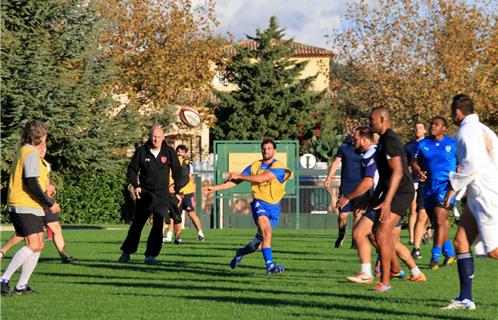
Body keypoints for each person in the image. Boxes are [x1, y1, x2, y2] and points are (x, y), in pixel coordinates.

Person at [338, 127, 426, 285]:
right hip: (386, 199)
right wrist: (368, 201)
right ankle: (413, 272)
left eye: (355, 140)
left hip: (387, 200)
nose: (353, 143)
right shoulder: (376, 151)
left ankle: (369, 273)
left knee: (361, 233)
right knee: (388, 240)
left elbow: (369, 182)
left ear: (364, 140)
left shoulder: (370, 153)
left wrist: (347, 197)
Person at [442, 94, 498, 310]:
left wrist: (453, 187)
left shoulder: (465, 131)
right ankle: (465, 299)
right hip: (480, 194)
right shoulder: (486, 130)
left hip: (487, 196)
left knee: (493, 251)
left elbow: (471, 166)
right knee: (461, 242)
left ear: (457, 112)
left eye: (451, 112)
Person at [205, 138, 292, 274]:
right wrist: (215, 188)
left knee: (256, 244)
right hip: (259, 203)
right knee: (267, 232)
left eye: (269, 148)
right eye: (264, 148)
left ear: (274, 151)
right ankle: (270, 266)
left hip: (274, 208)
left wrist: (239, 175)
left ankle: (240, 252)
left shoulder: (279, 166)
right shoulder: (255, 165)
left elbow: (261, 178)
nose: (266, 151)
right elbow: (235, 181)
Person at [1, 120, 61, 296]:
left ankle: (22, 285)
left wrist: (46, 189)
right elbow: (31, 183)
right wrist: (50, 203)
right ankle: (3, 279)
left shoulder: (27, 151)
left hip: (30, 205)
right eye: (45, 136)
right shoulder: (30, 153)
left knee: (39, 245)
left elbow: (35, 181)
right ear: (39, 137)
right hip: (23, 204)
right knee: (33, 243)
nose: (46, 140)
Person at [0, 144, 79, 265]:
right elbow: (32, 183)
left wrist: (50, 188)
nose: (43, 149)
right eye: (40, 147)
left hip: (45, 201)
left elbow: (43, 182)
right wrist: (46, 192)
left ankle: (64, 257)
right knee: (24, 235)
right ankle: (3, 257)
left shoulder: (45, 163)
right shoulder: (30, 159)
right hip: (35, 202)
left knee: (55, 228)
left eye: (45, 147)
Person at [118, 127, 183, 265]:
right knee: (137, 224)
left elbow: (178, 172)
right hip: (145, 194)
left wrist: (177, 191)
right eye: (154, 137)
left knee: (158, 225)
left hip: (161, 195)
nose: (156, 140)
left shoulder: (169, 152)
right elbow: (132, 169)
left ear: (163, 137)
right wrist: (136, 185)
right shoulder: (142, 151)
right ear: (150, 136)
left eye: (159, 137)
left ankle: (151, 256)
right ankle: (127, 252)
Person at [368, 107, 415, 292]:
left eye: (371, 119)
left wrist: (387, 201)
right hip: (391, 192)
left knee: (381, 233)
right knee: (375, 231)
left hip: (402, 192)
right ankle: (393, 271)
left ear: (382, 119)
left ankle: (386, 282)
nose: (369, 122)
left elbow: (397, 172)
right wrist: (372, 198)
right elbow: (385, 175)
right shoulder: (382, 142)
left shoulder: (391, 140)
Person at [412, 117, 457, 270]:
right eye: (431, 124)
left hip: (445, 187)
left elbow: (461, 163)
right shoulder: (423, 144)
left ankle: (435, 257)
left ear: (444, 129)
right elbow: (414, 162)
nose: (432, 126)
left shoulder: (452, 143)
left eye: (436, 125)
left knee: (439, 220)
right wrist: (419, 171)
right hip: (428, 188)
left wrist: (458, 177)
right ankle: (450, 253)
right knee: (439, 224)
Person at [325, 130, 363, 248]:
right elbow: (336, 162)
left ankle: (355, 240)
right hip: (346, 186)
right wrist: (329, 177)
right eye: (352, 132)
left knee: (358, 214)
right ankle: (341, 234)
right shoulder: (344, 148)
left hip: (361, 186)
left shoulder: (364, 149)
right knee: (342, 215)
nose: (353, 135)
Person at [166, 145, 205, 242]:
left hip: (187, 193)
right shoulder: (170, 164)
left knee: (191, 213)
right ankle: (171, 236)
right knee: (173, 215)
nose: (180, 153)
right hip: (175, 193)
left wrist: (178, 186)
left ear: (185, 153)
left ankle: (200, 233)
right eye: (178, 151)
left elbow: (190, 178)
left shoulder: (188, 164)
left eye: (182, 152)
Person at [404, 122, 428, 247]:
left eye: (421, 127)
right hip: (413, 180)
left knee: (426, 210)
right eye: (416, 127)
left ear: (425, 130)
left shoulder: (430, 144)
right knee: (413, 209)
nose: (418, 129)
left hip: (427, 180)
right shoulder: (408, 146)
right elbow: (405, 164)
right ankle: (412, 238)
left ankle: (424, 230)